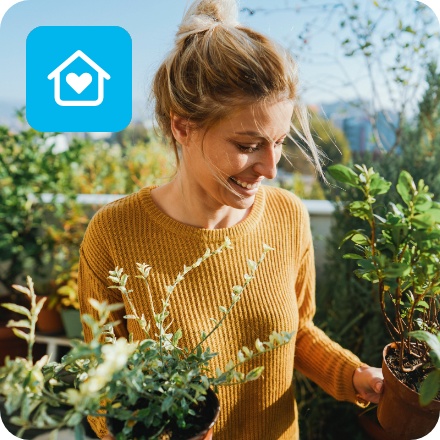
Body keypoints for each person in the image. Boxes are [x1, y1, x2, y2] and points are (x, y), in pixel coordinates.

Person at [78, 1, 384, 439]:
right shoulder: (114, 235)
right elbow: (99, 390)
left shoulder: (287, 216)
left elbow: (296, 333)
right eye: (247, 144)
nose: (270, 168)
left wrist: (356, 375)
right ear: (181, 127)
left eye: (278, 142)